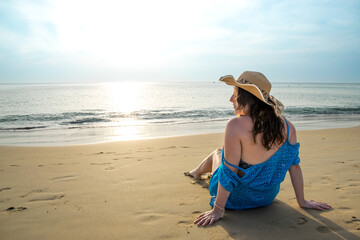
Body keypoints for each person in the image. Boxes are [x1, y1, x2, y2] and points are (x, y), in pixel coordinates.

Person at [185, 71, 331, 227]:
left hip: (233, 199)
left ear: (248, 97)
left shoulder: (235, 126)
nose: (230, 99)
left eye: (235, 94)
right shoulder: (288, 127)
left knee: (218, 154)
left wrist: (218, 210)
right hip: (266, 198)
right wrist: (302, 201)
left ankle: (196, 172)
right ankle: (196, 172)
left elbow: (228, 173)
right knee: (223, 157)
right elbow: (294, 167)